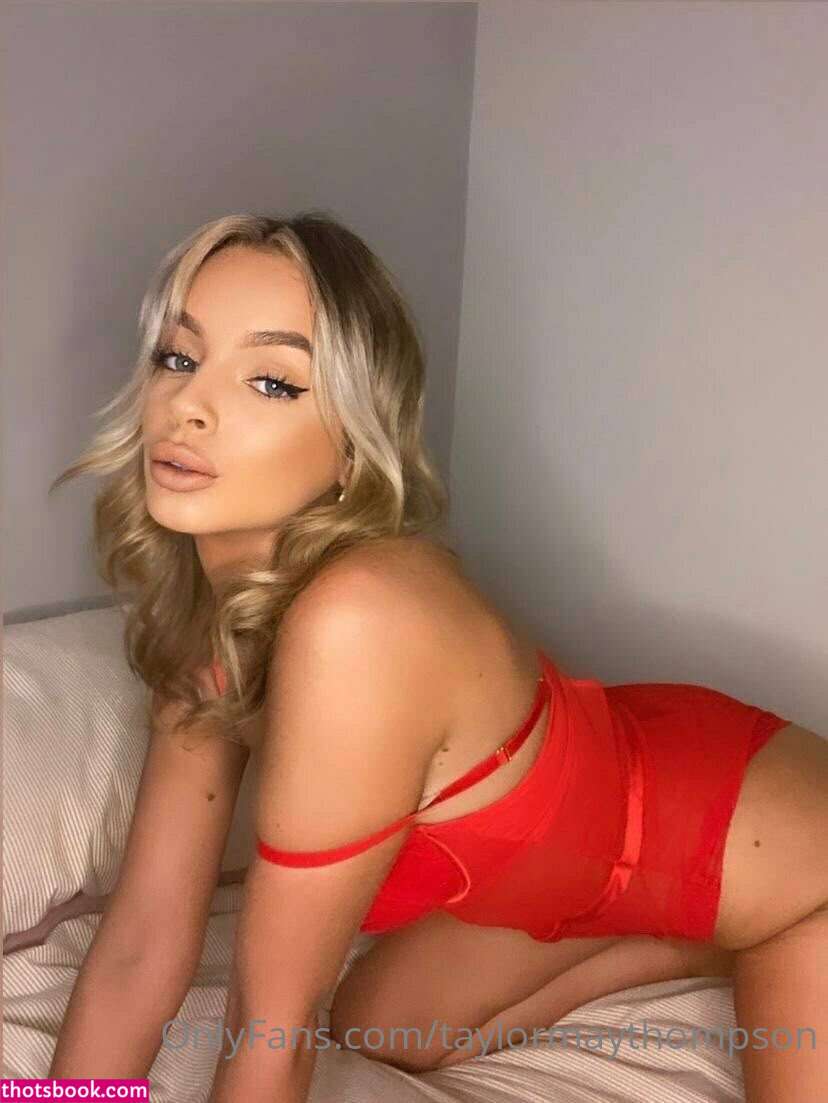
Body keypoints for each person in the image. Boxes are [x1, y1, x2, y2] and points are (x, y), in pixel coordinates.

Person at [47, 211, 827, 1103]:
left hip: (791, 864)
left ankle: (741, 923)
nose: (188, 405)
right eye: (179, 357)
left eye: (271, 381)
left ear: (352, 447)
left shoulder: (360, 621)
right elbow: (143, 942)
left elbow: (271, 1026)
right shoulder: (209, 626)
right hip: (588, 852)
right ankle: (690, 934)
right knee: (378, 1025)